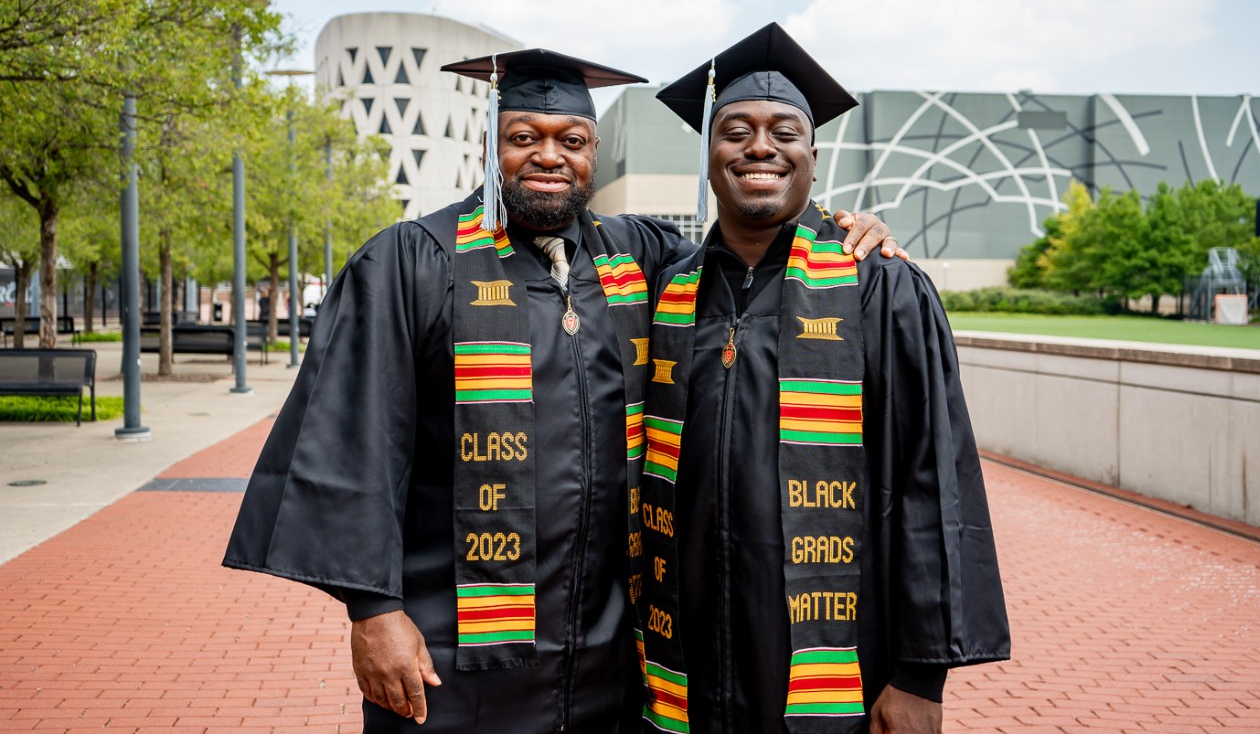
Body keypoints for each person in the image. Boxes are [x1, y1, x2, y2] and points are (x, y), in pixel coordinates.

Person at [223, 48, 903, 733]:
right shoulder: (417, 262)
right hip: (455, 656)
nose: (549, 157)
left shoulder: (638, 259)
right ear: (492, 145)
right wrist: (373, 613)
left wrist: (843, 228)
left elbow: (751, 243)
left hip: (609, 661)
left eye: (570, 141)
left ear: (594, 153)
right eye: (524, 138)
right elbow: (355, 441)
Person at [636, 24, 1011, 734]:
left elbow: (932, 481)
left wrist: (919, 677)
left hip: (828, 671)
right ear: (710, 154)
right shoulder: (669, 289)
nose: (760, 146)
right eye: (735, 128)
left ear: (814, 155)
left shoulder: (881, 289)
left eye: (786, 130)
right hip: (687, 669)